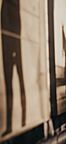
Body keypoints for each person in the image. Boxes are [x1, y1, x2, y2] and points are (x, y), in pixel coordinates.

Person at [2, 0, 26, 135]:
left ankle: (22, 118)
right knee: (9, 85)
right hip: (7, 49)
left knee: (19, 82)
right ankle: (10, 125)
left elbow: (16, 24)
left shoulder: (12, 3)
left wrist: (15, 49)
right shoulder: (6, 4)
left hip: (13, 48)